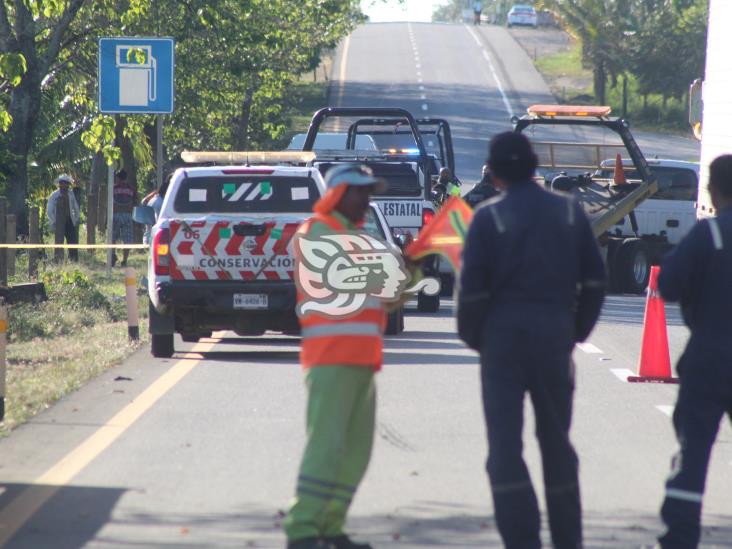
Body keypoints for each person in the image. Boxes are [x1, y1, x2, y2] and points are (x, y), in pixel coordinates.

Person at [456, 132, 606, 549]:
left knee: (505, 450)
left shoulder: (488, 217)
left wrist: (479, 339)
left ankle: (522, 540)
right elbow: (595, 281)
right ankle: (567, 541)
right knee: (557, 445)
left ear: (494, 172)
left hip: (502, 346)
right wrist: (574, 331)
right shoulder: (571, 214)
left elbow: (470, 294)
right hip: (555, 340)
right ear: (535, 165)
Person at [284, 164, 390, 549]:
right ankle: (303, 528)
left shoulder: (355, 236)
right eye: (359, 191)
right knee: (326, 447)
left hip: (361, 360)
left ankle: (330, 526)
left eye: (368, 191)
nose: (367, 198)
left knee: (356, 452)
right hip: (330, 360)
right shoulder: (316, 232)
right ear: (337, 194)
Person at [655, 154, 732, 549]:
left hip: (710, 358)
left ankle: (679, 540)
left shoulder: (710, 235)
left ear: (713, 191)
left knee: (693, 451)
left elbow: (667, 286)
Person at [47, 174, 81, 262]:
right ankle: (59, 260)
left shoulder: (70, 194)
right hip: (59, 222)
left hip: (69, 221)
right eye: (62, 183)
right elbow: (49, 211)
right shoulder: (54, 195)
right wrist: (54, 222)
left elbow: (75, 207)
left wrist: (76, 218)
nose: (64, 185)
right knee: (59, 242)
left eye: (66, 183)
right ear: (59, 184)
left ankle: (73, 260)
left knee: (73, 241)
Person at [112, 169, 138, 266]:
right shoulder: (131, 189)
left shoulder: (114, 188)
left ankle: (112, 255)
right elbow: (135, 202)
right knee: (127, 239)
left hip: (116, 214)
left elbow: (110, 202)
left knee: (112, 237)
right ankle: (124, 260)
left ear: (118, 178)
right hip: (127, 215)